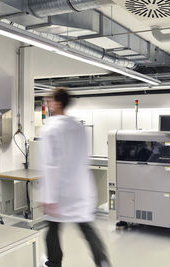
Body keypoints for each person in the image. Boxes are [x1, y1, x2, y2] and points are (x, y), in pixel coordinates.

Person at [38, 88, 110, 267]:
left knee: (52, 228)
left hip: (61, 192)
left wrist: (48, 197)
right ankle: (103, 263)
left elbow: (50, 166)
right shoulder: (78, 126)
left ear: (58, 103)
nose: (47, 104)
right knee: (87, 228)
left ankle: (54, 263)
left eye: (49, 100)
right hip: (80, 189)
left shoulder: (49, 129)